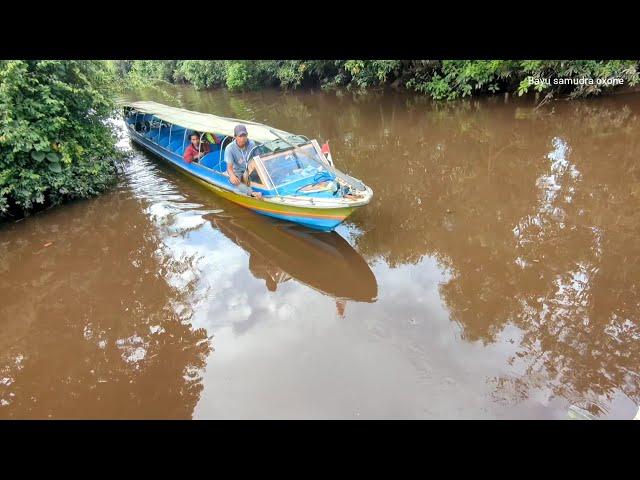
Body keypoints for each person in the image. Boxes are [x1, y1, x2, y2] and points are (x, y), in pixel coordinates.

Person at [225, 124, 262, 199]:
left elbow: (258, 159)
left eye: (244, 135)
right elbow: (229, 168)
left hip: (250, 168)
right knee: (234, 182)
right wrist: (232, 176)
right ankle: (251, 192)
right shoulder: (230, 148)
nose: (242, 139)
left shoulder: (252, 144)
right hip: (238, 170)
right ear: (235, 137)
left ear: (247, 135)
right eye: (240, 136)